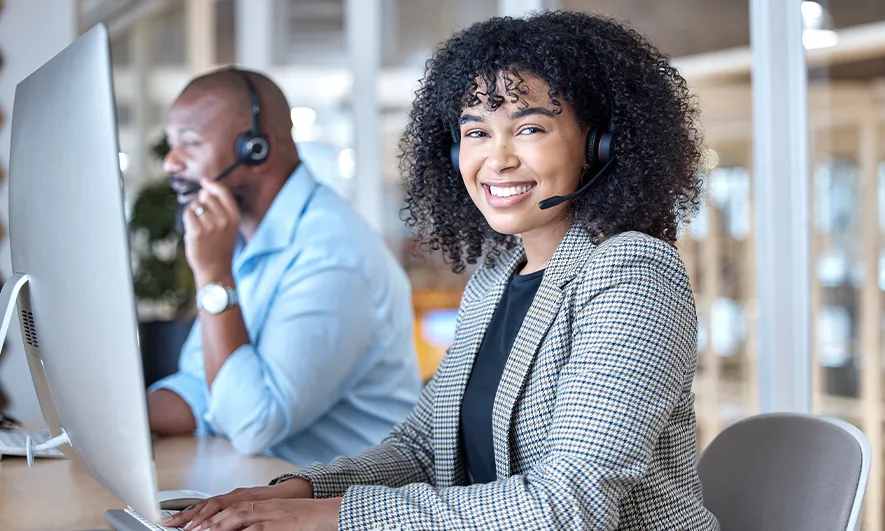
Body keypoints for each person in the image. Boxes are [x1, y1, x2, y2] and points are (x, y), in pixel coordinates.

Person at [164, 12, 719, 530]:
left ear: (599, 146)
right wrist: (299, 491)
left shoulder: (633, 273)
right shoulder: (499, 275)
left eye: (529, 129)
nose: (495, 159)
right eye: (476, 132)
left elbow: (565, 505)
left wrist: (334, 517)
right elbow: (423, 447)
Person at [147, 67, 421, 465]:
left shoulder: (333, 253)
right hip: (259, 485)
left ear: (256, 150)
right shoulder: (240, 240)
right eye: (172, 145)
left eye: (189, 143)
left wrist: (214, 278)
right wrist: (108, 419)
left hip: (342, 507)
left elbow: (253, 423)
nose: (171, 163)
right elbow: (204, 386)